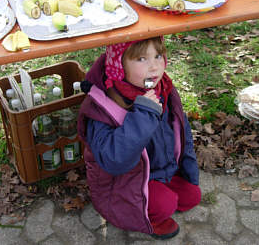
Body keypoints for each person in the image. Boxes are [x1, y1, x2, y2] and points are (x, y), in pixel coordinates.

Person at [77, 37, 201, 240]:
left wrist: (188, 171)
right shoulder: (101, 108)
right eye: (142, 59)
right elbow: (114, 161)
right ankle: (148, 218)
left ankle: (161, 191)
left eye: (158, 56)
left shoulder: (164, 89)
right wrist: (143, 115)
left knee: (191, 196)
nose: (154, 67)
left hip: (160, 171)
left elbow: (183, 133)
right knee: (165, 204)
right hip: (122, 185)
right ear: (119, 65)